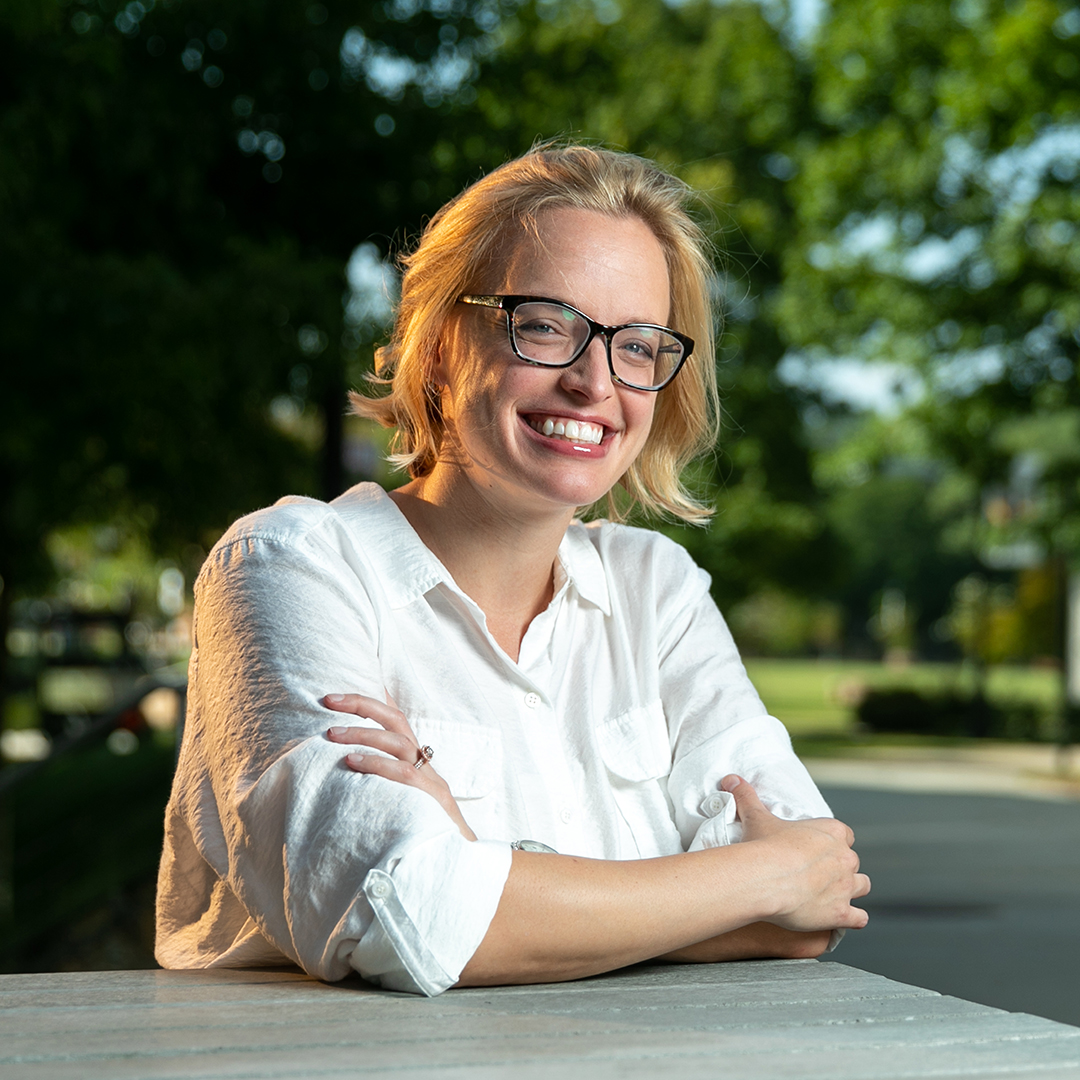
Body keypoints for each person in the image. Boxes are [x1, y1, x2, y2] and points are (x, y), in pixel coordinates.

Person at [155, 144, 869, 996]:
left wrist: (484, 874)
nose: (594, 381)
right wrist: (751, 885)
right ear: (440, 339)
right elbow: (396, 919)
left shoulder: (658, 593)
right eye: (544, 324)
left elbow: (815, 899)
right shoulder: (290, 566)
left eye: (637, 344)